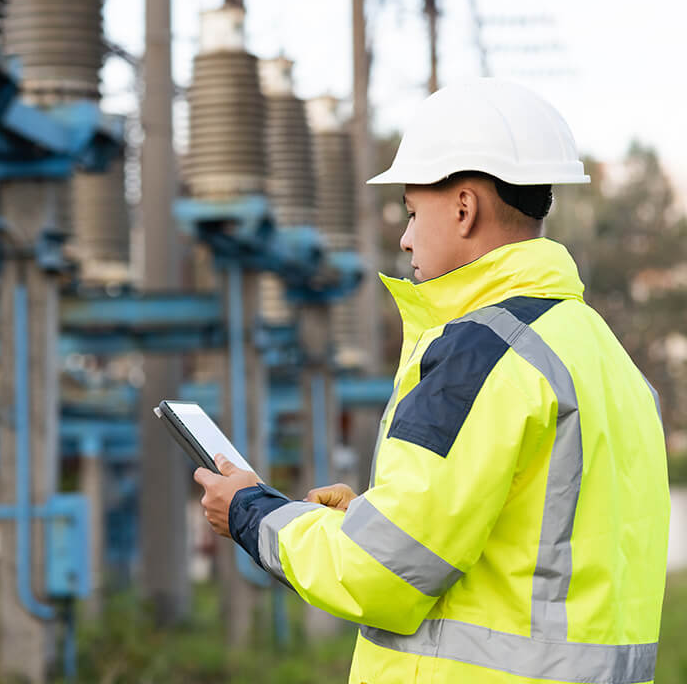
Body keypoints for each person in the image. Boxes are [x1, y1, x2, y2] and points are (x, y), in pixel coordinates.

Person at [193, 79, 670, 684]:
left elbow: (377, 574)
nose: (406, 237)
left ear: (464, 207)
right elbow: (540, 548)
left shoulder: (483, 354)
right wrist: (373, 513)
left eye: (414, 212)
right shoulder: (603, 354)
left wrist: (250, 511)